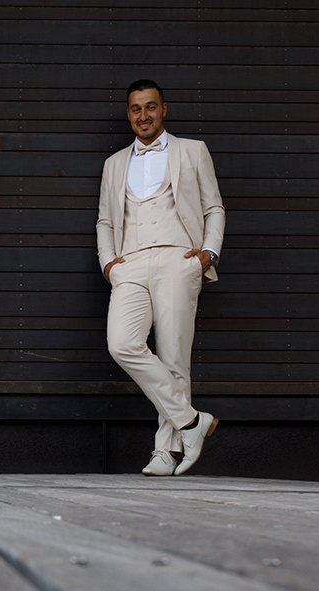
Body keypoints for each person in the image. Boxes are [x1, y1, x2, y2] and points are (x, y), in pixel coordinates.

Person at [96, 80, 225, 476]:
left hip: (178, 258)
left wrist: (207, 254)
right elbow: (105, 221)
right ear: (128, 114)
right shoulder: (114, 163)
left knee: (173, 357)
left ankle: (165, 451)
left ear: (163, 109)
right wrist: (109, 264)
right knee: (122, 343)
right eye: (136, 109)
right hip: (130, 263)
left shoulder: (193, 150)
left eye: (150, 107)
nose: (144, 115)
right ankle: (191, 421)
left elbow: (214, 208)